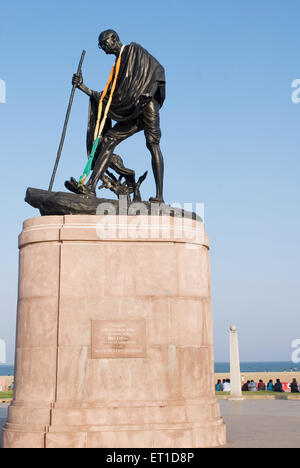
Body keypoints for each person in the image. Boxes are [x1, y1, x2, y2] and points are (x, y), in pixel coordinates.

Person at [66, 29, 166, 203]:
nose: (103, 48)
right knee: (108, 139)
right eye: (101, 45)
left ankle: (159, 196)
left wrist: (149, 93)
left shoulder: (135, 51)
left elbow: (158, 70)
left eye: (104, 43)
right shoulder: (117, 67)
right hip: (132, 111)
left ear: (114, 39)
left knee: (152, 144)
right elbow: (109, 96)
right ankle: (90, 187)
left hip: (147, 105)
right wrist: (83, 87)